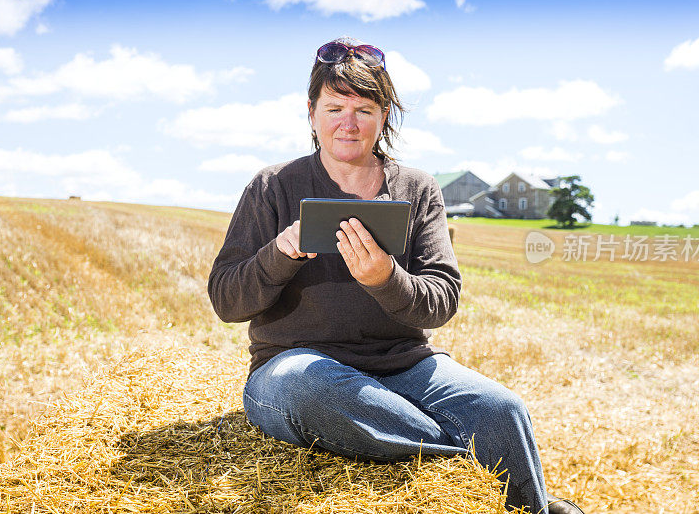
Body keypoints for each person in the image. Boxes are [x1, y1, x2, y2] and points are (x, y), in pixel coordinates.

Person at [208, 37, 584, 514]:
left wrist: (385, 277)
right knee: (313, 387)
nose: (349, 122)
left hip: (405, 366)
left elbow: (442, 299)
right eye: (335, 107)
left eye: (364, 109)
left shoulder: (418, 188)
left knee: (500, 409)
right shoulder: (272, 186)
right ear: (311, 112)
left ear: (384, 115)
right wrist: (279, 252)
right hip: (291, 370)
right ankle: (469, 475)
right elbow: (226, 300)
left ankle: (530, 507)